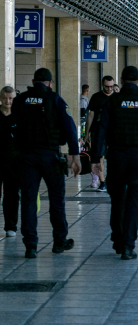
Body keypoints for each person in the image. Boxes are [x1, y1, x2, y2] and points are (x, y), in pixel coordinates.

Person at [90, 66, 138, 260]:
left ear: (122, 81)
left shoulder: (112, 102)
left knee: (117, 200)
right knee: (133, 202)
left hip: (116, 158)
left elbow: (100, 131)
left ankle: (117, 238)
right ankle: (128, 245)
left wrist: (95, 158)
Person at [12, 68, 81, 258]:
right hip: (50, 157)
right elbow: (70, 127)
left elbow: (13, 127)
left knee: (28, 201)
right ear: (50, 83)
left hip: (26, 158)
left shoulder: (20, 100)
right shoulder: (55, 100)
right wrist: (75, 155)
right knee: (57, 200)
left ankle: (30, 246)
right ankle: (59, 242)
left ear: (34, 82)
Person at [84, 75, 116, 190]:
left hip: (113, 132)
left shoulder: (117, 98)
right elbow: (91, 115)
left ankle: (110, 180)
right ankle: (103, 182)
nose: (109, 89)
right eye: (107, 87)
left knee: (113, 157)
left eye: (111, 86)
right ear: (102, 85)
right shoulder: (96, 97)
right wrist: (86, 133)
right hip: (98, 131)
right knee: (99, 157)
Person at [0, 86, 19, 237]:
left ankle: (11, 226)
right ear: (0, 98)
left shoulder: (19, 116)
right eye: (5, 98)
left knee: (11, 195)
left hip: (13, 162)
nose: (8, 101)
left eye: (11, 98)